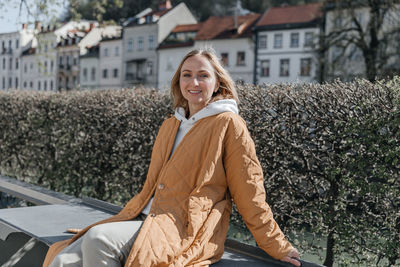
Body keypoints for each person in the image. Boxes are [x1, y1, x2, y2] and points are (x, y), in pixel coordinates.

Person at [43, 48, 300, 267]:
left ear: (217, 83)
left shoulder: (229, 124)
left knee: (99, 239)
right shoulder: (171, 124)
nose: (194, 83)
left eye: (203, 76)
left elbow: (249, 191)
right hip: (144, 215)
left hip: (183, 226)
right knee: (61, 261)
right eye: (186, 75)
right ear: (178, 82)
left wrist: (276, 245)